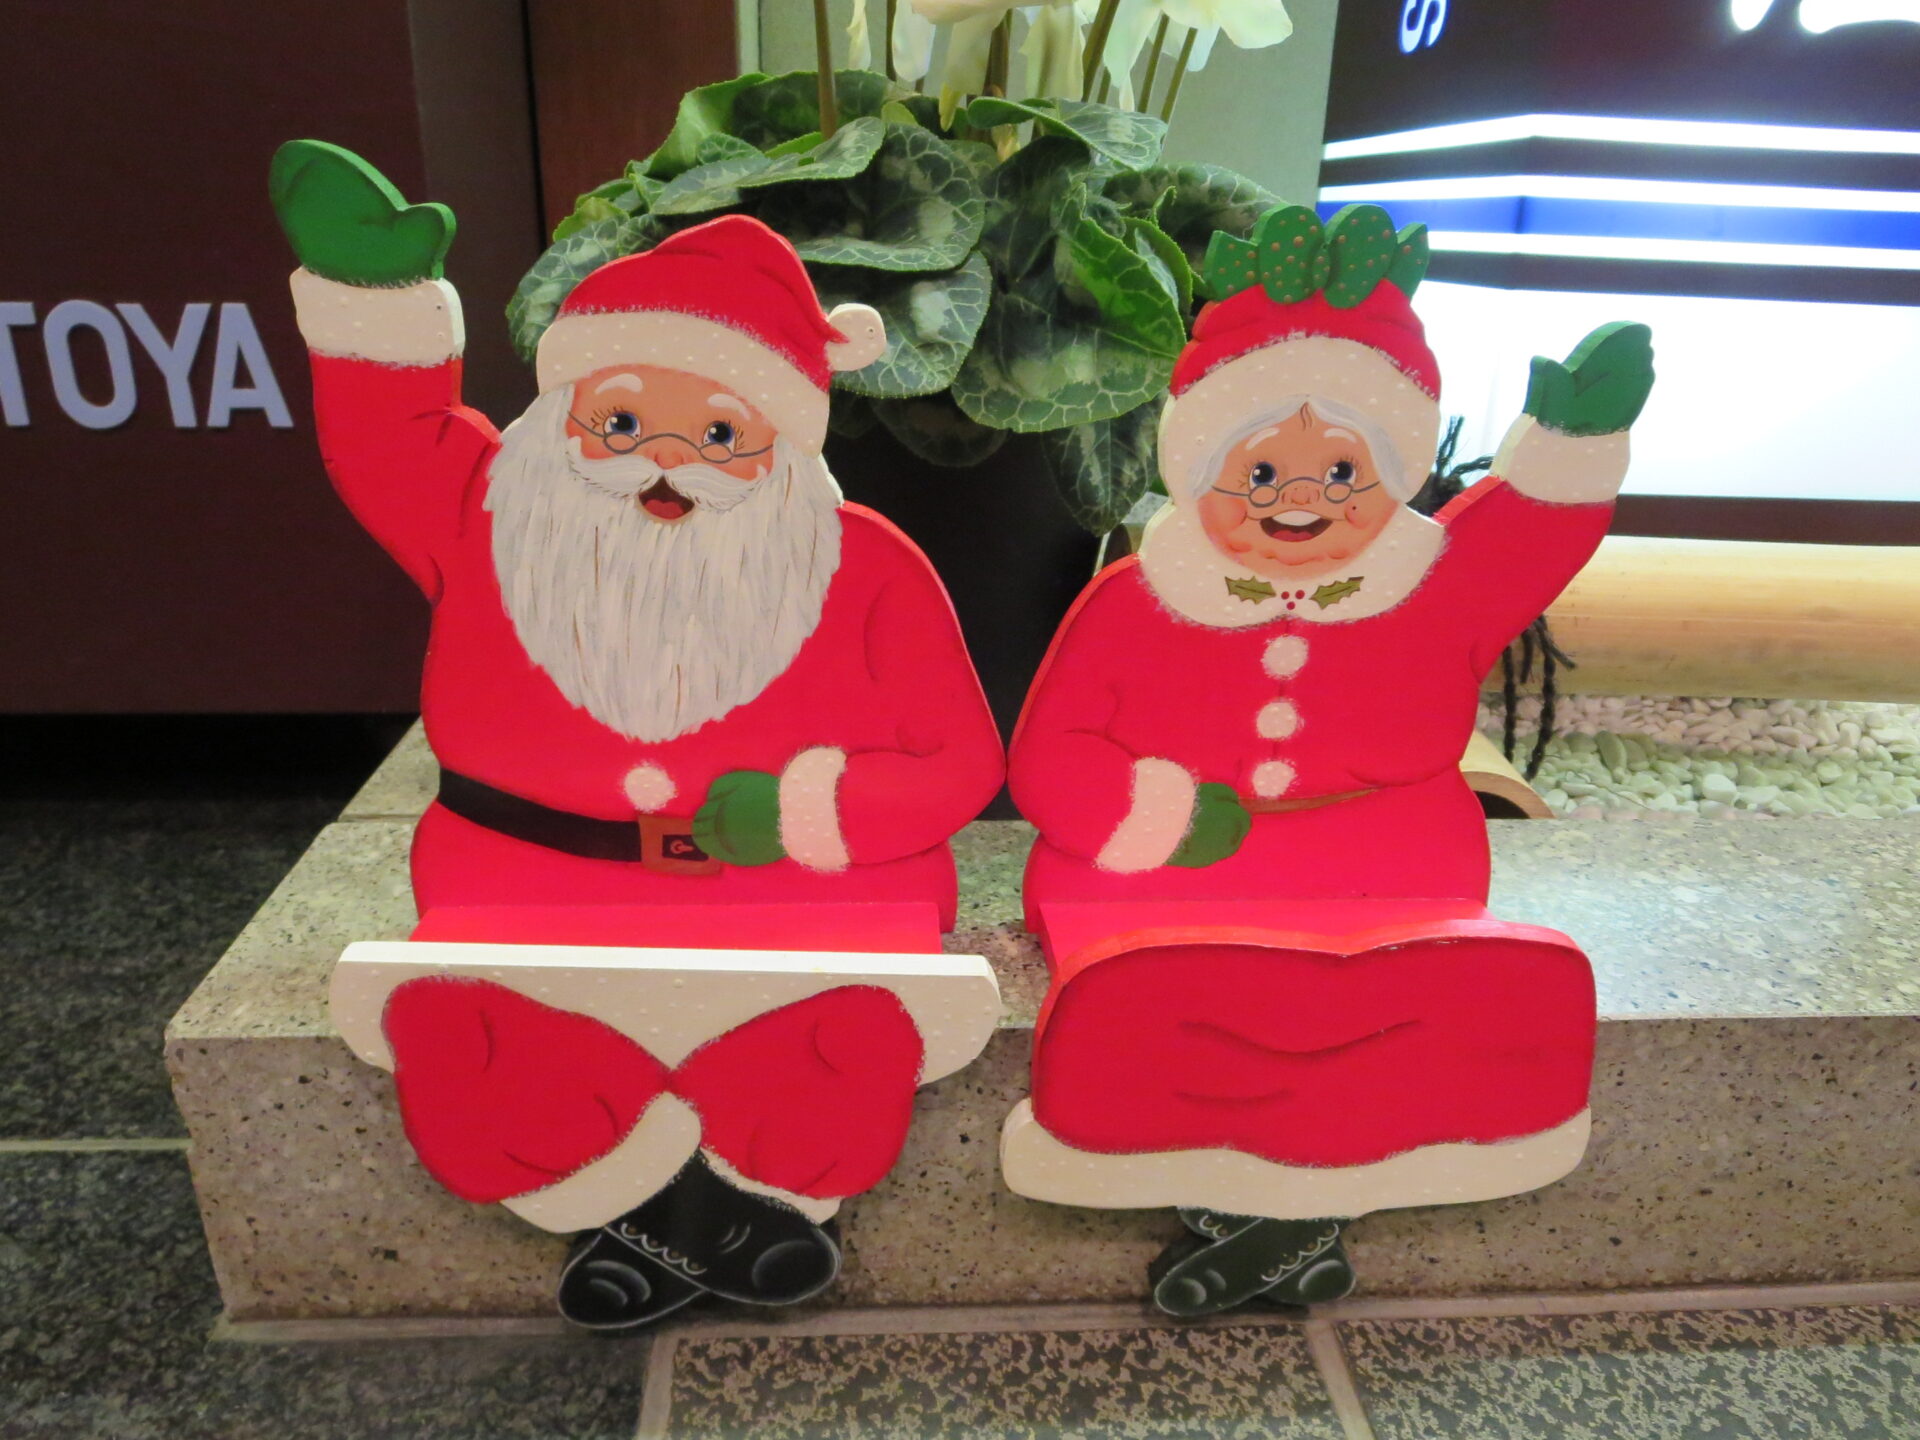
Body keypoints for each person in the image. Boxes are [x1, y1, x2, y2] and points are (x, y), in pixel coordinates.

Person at [270, 141, 1004, 1329]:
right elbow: (389, 436)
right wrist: (374, 300)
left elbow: (959, 762)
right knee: (469, 1037)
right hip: (519, 897)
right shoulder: (491, 512)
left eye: (720, 434)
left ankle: (651, 1235)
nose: (666, 459)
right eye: (620, 421)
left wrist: (809, 813)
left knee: (840, 1043)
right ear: (562, 414)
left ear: (785, 443)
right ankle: (714, 1223)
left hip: (800, 913)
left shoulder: (861, 567)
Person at [1000, 203, 1654, 1315]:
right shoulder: (1135, 604)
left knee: (1390, 1021)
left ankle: (1270, 1225)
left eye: (1343, 472)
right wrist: (1156, 814)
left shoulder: (1430, 591)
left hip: (1396, 866)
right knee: (1184, 1015)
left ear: (1391, 474)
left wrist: (1569, 448)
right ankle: (1276, 1228)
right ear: (1203, 468)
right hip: (1165, 875)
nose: (1302, 501)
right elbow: (1055, 752)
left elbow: (1522, 541)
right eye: (1262, 474)